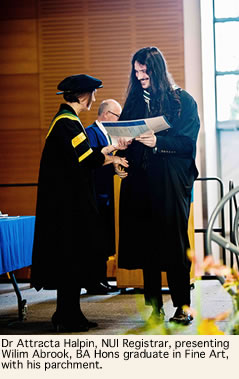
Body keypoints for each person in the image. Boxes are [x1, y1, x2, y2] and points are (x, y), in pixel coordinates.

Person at [31, 74, 128, 332]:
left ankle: (67, 313)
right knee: (71, 262)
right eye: (92, 93)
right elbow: (85, 161)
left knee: (70, 262)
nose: (94, 98)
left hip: (65, 205)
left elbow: (85, 156)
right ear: (83, 95)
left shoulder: (68, 121)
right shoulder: (67, 123)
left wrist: (110, 153)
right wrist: (111, 157)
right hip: (68, 208)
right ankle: (68, 315)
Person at [115, 47, 200, 325]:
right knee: (146, 246)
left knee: (175, 245)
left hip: (170, 184)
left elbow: (187, 144)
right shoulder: (135, 101)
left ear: (157, 70)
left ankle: (183, 305)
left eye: (145, 71)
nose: (140, 77)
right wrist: (121, 154)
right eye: (136, 71)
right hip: (140, 183)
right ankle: (155, 307)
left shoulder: (182, 101)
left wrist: (158, 142)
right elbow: (126, 134)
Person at [85, 99, 122, 294]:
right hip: (96, 194)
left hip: (107, 195)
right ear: (107, 114)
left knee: (104, 240)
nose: (119, 120)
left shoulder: (108, 135)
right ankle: (93, 281)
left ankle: (101, 278)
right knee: (95, 240)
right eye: (118, 116)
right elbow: (92, 161)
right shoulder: (90, 132)